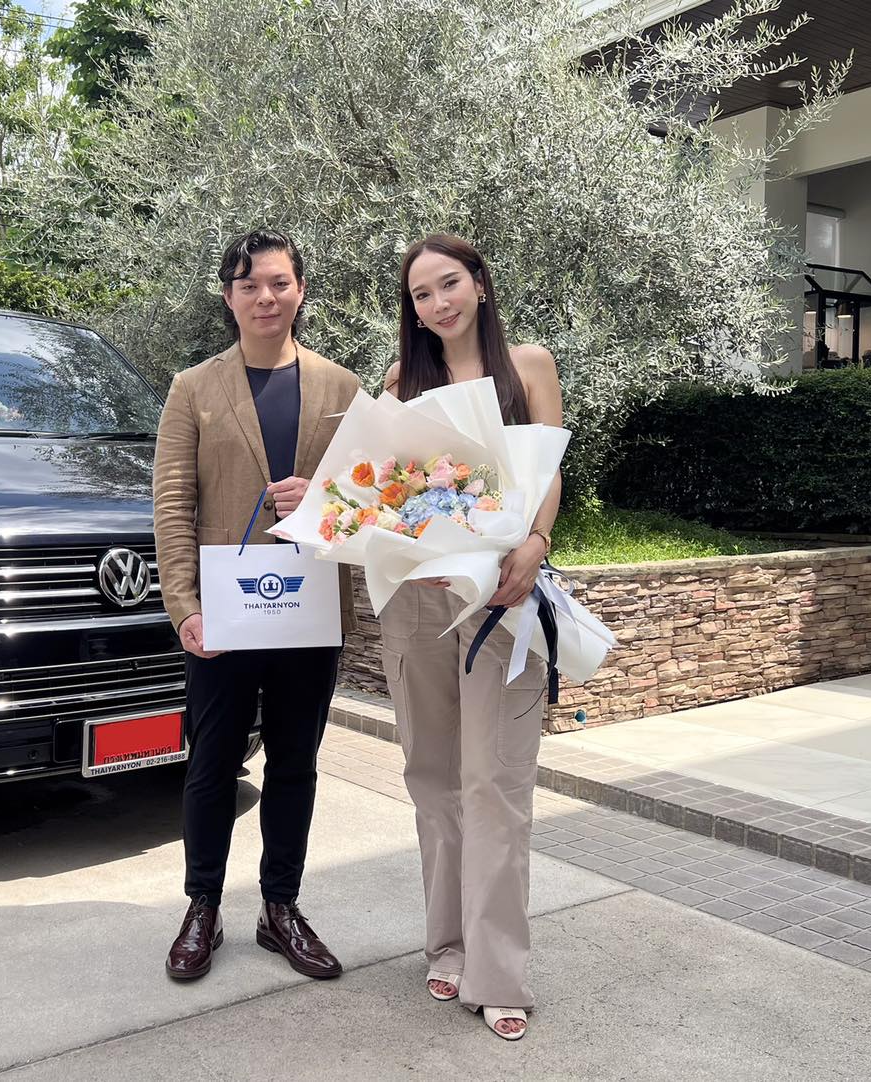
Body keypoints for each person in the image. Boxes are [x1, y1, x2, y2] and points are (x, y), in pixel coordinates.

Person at [153, 228, 360, 982]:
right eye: (249, 285)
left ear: (300, 290)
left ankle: (281, 908)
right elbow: (172, 505)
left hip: (309, 611)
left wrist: (324, 501)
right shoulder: (193, 389)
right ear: (228, 296)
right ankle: (202, 906)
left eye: (278, 282)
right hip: (224, 614)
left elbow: (369, 502)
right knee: (211, 764)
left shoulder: (342, 389)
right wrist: (184, 607)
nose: (265, 297)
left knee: (295, 764)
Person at [380, 233, 564, 1041]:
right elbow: (387, 489)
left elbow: (549, 470)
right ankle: (447, 944)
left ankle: (498, 972)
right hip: (419, 598)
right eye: (421, 294)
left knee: (496, 780)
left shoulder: (530, 367)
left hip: (505, 595)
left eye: (448, 283)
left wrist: (537, 543)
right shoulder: (402, 383)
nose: (438, 302)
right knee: (433, 774)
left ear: (480, 284)